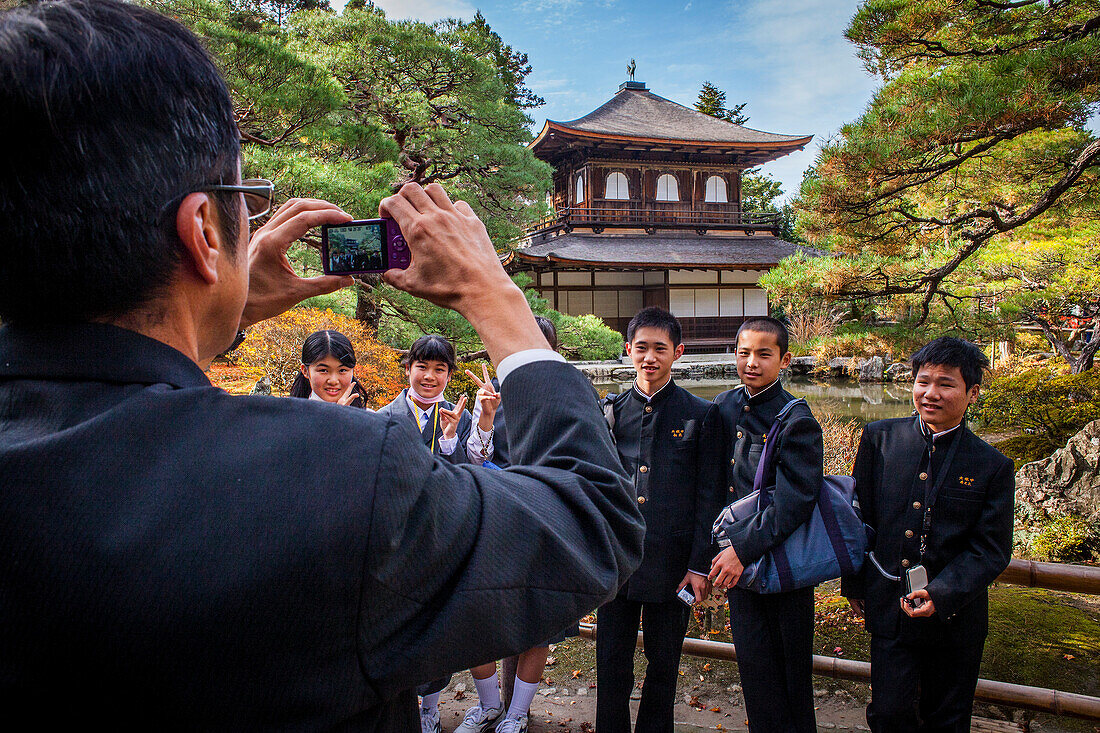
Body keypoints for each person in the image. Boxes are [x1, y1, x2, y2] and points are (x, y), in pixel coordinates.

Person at [0, 2, 645, 730]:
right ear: (203, 231)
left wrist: (217, 306)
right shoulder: (333, 474)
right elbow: (594, 521)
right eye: (244, 201)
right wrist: (497, 300)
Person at [841, 338, 1014, 732]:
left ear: (971, 393)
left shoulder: (992, 464)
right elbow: (859, 519)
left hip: (957, 616)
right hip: (890, 606)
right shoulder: (879, 439)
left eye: (946, 384)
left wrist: (942, 593)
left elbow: (991, 549)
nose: (930, 393)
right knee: (888, 713)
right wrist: (855, 585)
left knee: (947, 719)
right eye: (923, 381)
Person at [595, 307, 725, 733]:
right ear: (628, 349)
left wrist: (698, 565)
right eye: (642, 348)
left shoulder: (701, 415)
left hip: (672, 565)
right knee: (611, 662)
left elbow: (709, 496)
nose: (649, 357)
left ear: (678, 353)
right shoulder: (609, 412)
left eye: (660, 349)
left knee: (664, 664)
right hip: (617, 561)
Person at [455, 316, 579, 733]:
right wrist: (486, 419)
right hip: (498, 526)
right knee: (480, 617)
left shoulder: (568, 398)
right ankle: (490, 705)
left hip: (548, 526)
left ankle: (517, 714)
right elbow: (472, 463)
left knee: (541, 624)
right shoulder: (490, 395)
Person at [708, 316, 823, 733]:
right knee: (755, 671)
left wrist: (740, 550)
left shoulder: (797, 419)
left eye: (763, 354)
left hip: (782, 563)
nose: (751, 362)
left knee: (790, 675)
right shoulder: (723, 407)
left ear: (784, 359)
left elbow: (795, 502)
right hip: (737, 564)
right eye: (743, 353)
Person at [377, 333, 486, 466]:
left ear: (449, 374)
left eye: (439, 369)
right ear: (408, 368)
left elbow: (467, 472)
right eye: (422, 367)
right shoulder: (382, 418)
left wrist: (450, 437)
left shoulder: (462, 419)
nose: (429, 376)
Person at [289, 329, 368, 407]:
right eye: (323, 370)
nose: (333, 381)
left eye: (342, 370)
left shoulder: (369, 417)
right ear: (305, 371)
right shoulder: (289, 416)